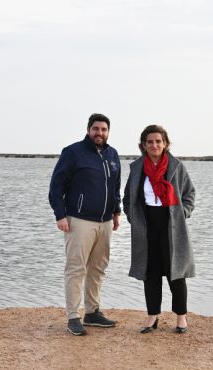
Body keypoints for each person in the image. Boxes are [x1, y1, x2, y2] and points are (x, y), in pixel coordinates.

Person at [49, 113, 122, 336]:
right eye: (96, 129)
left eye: (103, 129)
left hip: (106, 221)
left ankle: (92, 312)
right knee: (76, 269)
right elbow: (55, 187)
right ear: (88, 130)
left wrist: (117, 211)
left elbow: (116, 185)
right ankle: (73, 316)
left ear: (108, 132)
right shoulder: (73, 152)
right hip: (79, 221)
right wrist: (60, 215)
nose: (99, 133)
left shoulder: (112, 154)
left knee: (98, 268)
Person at [123, 124, 195, 334]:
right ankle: (152, 316)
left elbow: (190, 193)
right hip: (146, 227)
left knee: (176, 273)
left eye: (158, 141)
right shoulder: (137, 168)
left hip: (172, 225)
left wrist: (184, 213)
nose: (154, 145)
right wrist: (132, 217)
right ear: (143, 146)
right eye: (150, 142)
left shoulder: (176, 166)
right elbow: (129, 198)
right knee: (150, 273)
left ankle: (181, 318)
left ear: (165, 144)